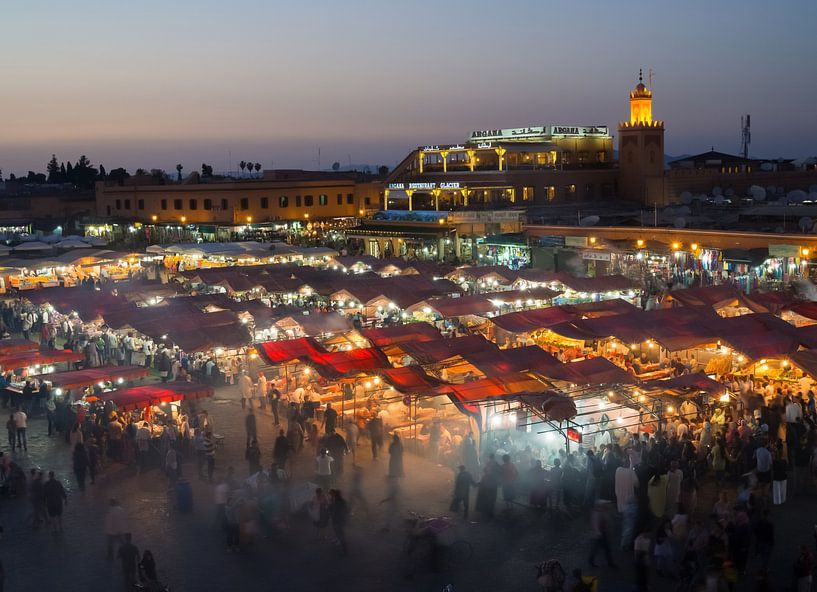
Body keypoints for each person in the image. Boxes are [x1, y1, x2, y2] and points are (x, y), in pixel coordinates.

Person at [588, 500, 616, 568]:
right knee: (599, 549)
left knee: (603, 549)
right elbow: (595, 525)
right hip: (599, 534)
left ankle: (610, 562)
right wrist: (599, 532)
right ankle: (609, 563)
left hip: (601, 534)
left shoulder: (600, 512)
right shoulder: (597, 514)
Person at [329, 489, 349, 556]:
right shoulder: (342, 501)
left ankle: (345, 551)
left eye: (332, 494)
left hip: (337, 521)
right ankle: (344, 549)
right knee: (340, 535)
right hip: (340, 521)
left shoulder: (336, 502)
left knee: (341, 536)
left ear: (335, 495)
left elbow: (333, 511)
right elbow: (346, 510)